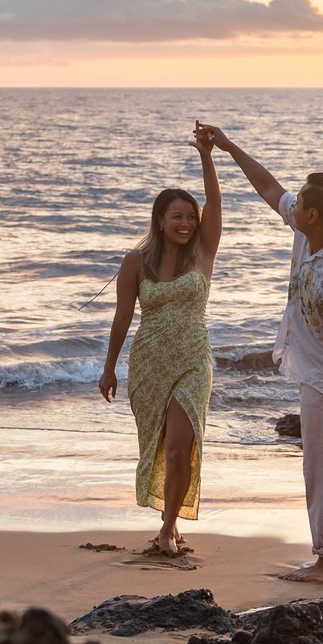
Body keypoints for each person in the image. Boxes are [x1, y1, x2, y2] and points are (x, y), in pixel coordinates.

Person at [196, 121, 323, 584]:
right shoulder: (309, 232)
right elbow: (267, 187)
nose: (291, 205)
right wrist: (226, 146)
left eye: (299, 203)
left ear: (312, 215)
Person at [98, 130, 222, 558]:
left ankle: (167, 529)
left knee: (180, 445)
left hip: (193, 358)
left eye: (191, 217)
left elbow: (215, 204)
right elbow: (122, 317)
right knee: (159, 446)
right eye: (177, 217)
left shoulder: (203, 252)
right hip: (149, 360)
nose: (186, 224)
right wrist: (109, 367)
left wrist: (208, 156)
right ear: (160, 220)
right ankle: (167, 520)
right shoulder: (135, 261)